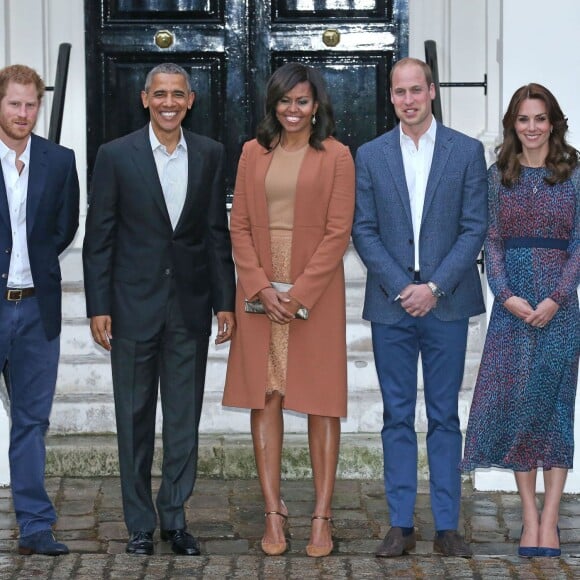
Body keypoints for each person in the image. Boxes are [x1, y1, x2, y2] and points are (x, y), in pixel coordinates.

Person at [82, 63, 236, 557]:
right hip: (130, 309)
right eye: (160, 94)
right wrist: (98, 305)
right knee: (133, 419)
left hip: (189, 309)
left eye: (178, 94)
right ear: (145, 98)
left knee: (183, 420)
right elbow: (99, 237)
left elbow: (215, 234)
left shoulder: (210, 155)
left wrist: (225, 302)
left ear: (190, 100)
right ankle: (139, 524)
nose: (169, 102)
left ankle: (175, 517)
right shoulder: (115, 155)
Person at [352, 57, 488, 558]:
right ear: (391, 97)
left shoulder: (466, 152)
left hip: (446, 303)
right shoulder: (369, 155)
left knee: (445, 415)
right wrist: (400, 286)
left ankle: (448, 524)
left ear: (431, 91)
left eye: (416, 90)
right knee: (397, 415)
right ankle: (401, 523)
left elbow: (474, 226)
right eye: (399, 92)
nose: (408, 100)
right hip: (391, 305)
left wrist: (433, 286)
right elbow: (362, 229)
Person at [222, 62, 354, 558]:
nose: (292, 110)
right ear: (272, 105)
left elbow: (338, 231)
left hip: (314, 290)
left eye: (301, 101)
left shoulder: (338, 156)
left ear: (316, 105)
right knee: (267, 394)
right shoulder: (252, 153)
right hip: (260, 288)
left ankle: (322, 515)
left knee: (321, 399)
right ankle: (274, 512)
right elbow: (238, 225)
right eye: (283, 101)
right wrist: (258, 285)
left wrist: (298, 293)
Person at [461, 83, 579, 558]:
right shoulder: (498, 176)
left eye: (540, 118)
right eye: (523, 119)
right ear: (513, 123)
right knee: (518, 409)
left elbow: (579, 245)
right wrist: (505, 295)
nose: (532, 128)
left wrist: (556, 297)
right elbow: (490, 241)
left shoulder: (574, 174)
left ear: (553, 123)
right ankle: (528, 515)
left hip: (561, 309)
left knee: (554, 411)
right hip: (511, 310)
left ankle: (550, 519)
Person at [0, 64, 79, 555]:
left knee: (31, 421)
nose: (23, 113)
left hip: (36, 309)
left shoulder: (60, 160)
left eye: (31, 104)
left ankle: (34, 525)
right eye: (14, 104)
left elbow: (65, 226)